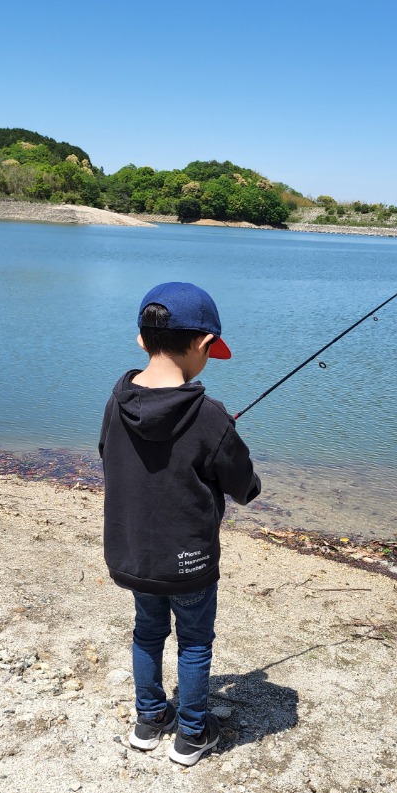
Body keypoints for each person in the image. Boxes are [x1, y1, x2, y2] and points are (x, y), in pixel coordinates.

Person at [99, 281, 261, 766]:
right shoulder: (210, 417)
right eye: (212, 351)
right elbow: (242, 482)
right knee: (193, 641)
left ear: (142, 341)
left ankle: (149, 721)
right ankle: (192, 733)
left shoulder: (116, 401)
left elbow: (108, 455)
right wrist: (243, 477)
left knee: (147, 632)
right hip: (189, 561)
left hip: (132, 555)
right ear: (204, 345)